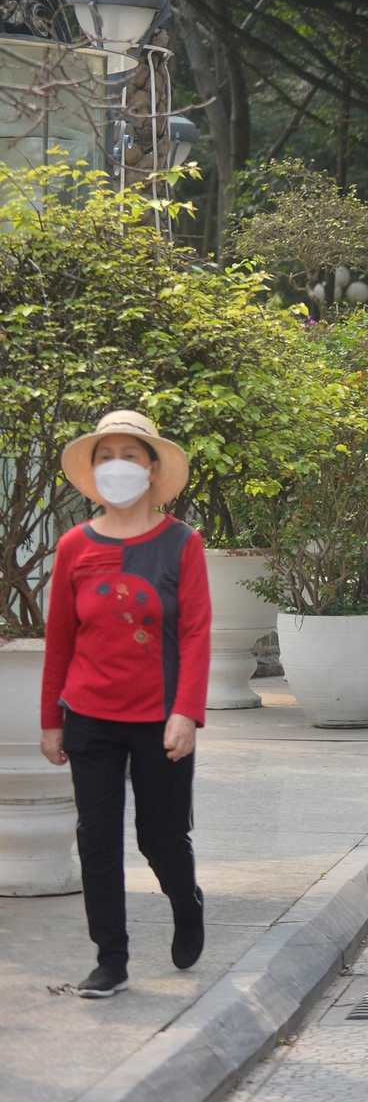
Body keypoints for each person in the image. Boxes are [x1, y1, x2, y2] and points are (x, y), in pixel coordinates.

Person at [39, 411, 212, 998]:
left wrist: (186, 711)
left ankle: (185, 902)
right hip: (89, 716)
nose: (117, 465)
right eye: (105, 454)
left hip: (162, 718)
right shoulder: (74, 546)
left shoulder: (181, 544)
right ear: (93, 470)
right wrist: (50, 720)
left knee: (160, 838)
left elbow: (195, 634)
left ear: (152, 468)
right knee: (97, 838)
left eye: (129, 454)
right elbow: (60, 637)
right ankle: (110, 959)